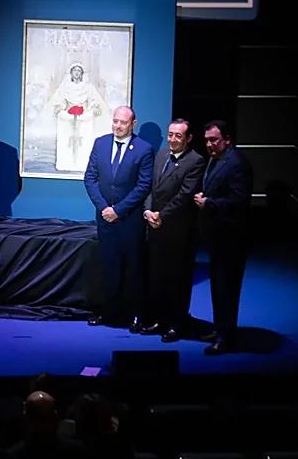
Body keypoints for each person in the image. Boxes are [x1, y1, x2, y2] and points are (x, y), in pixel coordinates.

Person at [83, 106, 153, 330]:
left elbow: (143, 186)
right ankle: (109, 313)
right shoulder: (100, 143)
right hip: (105, 219)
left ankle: (136, 315)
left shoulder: (144, 149)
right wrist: (104, 208)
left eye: (123, 122)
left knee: (133, 269)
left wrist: (118, 210)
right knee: (109, 268)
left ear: (133, 124)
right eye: (115, 121)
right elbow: (90, 178)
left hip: (129, 221)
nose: (117, 126)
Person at [141, 119, 205, 341]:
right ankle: (160, 320)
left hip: (179, 232)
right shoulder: (160, 155)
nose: (173, 140)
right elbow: (151, 189)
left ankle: (176, 324)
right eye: (170, 135)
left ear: (188, 139)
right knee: (157, 278)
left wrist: (162, 215)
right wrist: (148, 211)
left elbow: (185, 196)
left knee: (177, 280)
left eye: (178, 136)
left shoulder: (195, 161)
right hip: (156, 229)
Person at [195, 120, 253, 355]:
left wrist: (208, 203)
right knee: (218, 287)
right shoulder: (216, 159)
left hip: (232, 238)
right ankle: (221, 328)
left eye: (214, 140)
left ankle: (226, 338)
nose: (209, 144)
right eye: (207, 140)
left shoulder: (237, 163)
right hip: (217, 237)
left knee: (227, 288)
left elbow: (239, 202)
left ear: (227, 139)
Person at [52, 63, 108, 173]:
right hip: (67, 119)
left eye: (79, 71)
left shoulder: (88, 87)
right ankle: (66, 163)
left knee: (83, 142)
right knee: (68, 141)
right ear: (71, 73)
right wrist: (61, 107)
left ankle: (82, 164)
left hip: (84, 119)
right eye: (75, 70)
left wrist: (93, 106)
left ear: (82, 73)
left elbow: (92, 100)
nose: (77, 73)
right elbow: (61, 100)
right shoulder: (65, 86)